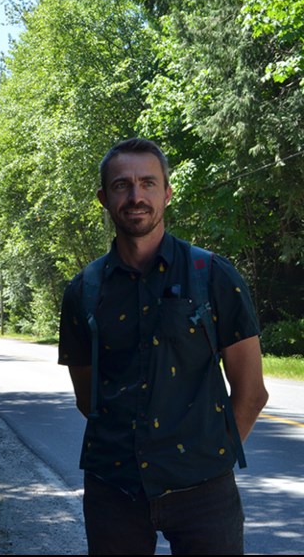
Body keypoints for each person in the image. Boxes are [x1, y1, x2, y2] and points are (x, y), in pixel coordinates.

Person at [58, 138, 269, 555]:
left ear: (167, 193)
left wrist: (209, 460)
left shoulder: (212, 275)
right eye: (122, 185)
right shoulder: (83, 291)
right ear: (103, 197)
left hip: (205, 494)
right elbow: (89, 397)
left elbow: (252, 392)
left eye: (148, 183)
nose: (136, 196)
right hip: (112, 489)